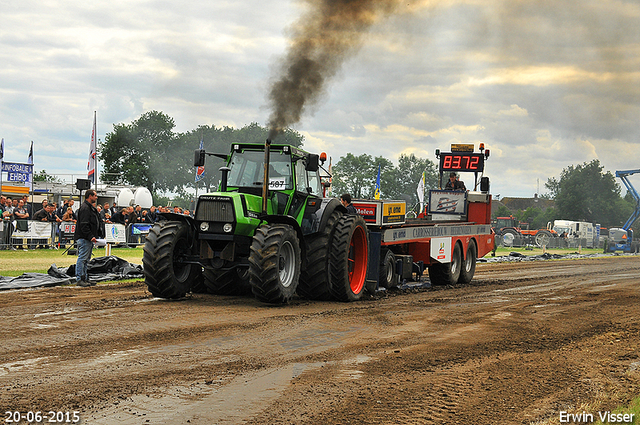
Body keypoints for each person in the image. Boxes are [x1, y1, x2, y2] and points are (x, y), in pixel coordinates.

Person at [74, 189, 102, 287]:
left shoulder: (89, 208)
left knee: (86, 259)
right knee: (82, 258)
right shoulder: (85, 208)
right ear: (90, 196)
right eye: (95, 195)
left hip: (88, 238)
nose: (96, 197)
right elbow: (84, 225)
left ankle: (84, 278)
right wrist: (90, 236)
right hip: (85, 238)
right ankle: (80, 278)